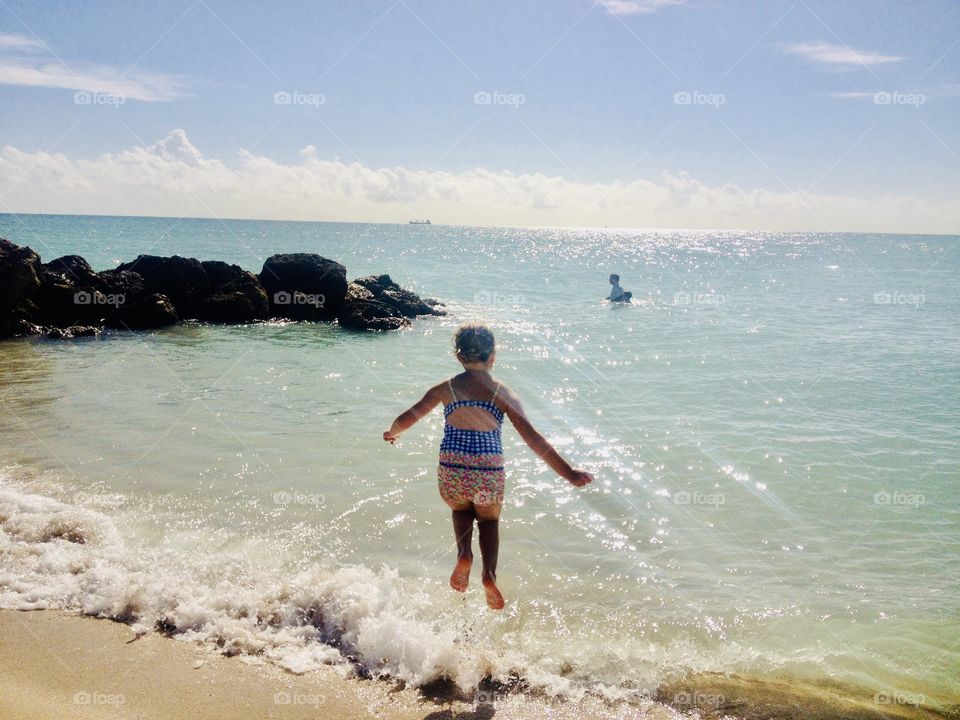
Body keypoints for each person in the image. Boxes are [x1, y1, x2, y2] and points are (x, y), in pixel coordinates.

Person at [383, 324, 593, 610]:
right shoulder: (501, 394)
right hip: (487, 473)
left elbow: (410, 415)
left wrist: (393, 432)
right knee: (489, 520)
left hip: (453, 469)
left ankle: (464, 554)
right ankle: (489, 575)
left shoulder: (447, 389)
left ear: (457, 356)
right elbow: (533, 439)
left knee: (460, 510)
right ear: (492, 356)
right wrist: (569, 472)